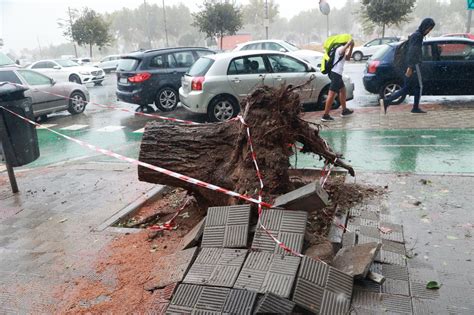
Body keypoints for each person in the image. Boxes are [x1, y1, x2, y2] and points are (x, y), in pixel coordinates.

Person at [380, 18, 436, 114]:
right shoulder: (418, 36)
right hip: (413, 65)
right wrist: (410, 67)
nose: (429, 31)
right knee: (418, 86)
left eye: (430, 29)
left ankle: (389, 101)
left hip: (411, 64)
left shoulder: (417, 35)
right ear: (425, 26)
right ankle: (413, 107)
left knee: (408, 87)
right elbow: (412, 52)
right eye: (429, 28)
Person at [321, 39, 355, 122]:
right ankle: (325, 115)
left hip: (336, 74)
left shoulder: (340, 49)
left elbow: (347, 58)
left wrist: (351, 47)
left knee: (343, 90)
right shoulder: (340, 48)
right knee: (331, 94)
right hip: (336, 74)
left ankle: (344, 110)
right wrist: (348, 43)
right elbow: (342, 51)